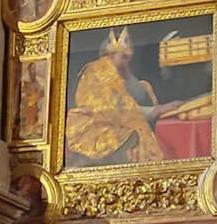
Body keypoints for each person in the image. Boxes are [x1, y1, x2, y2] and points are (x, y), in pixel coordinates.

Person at [65, 28, 180, 166]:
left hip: (122, 123)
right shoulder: (97, 72)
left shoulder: (123, 74)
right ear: (109, 54)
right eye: (122, 56)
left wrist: (127, 74)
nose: (126, 60)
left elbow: (138, 97)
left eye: (127, 58)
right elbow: (109, 109)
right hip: (96, 127)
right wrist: (154, 111)